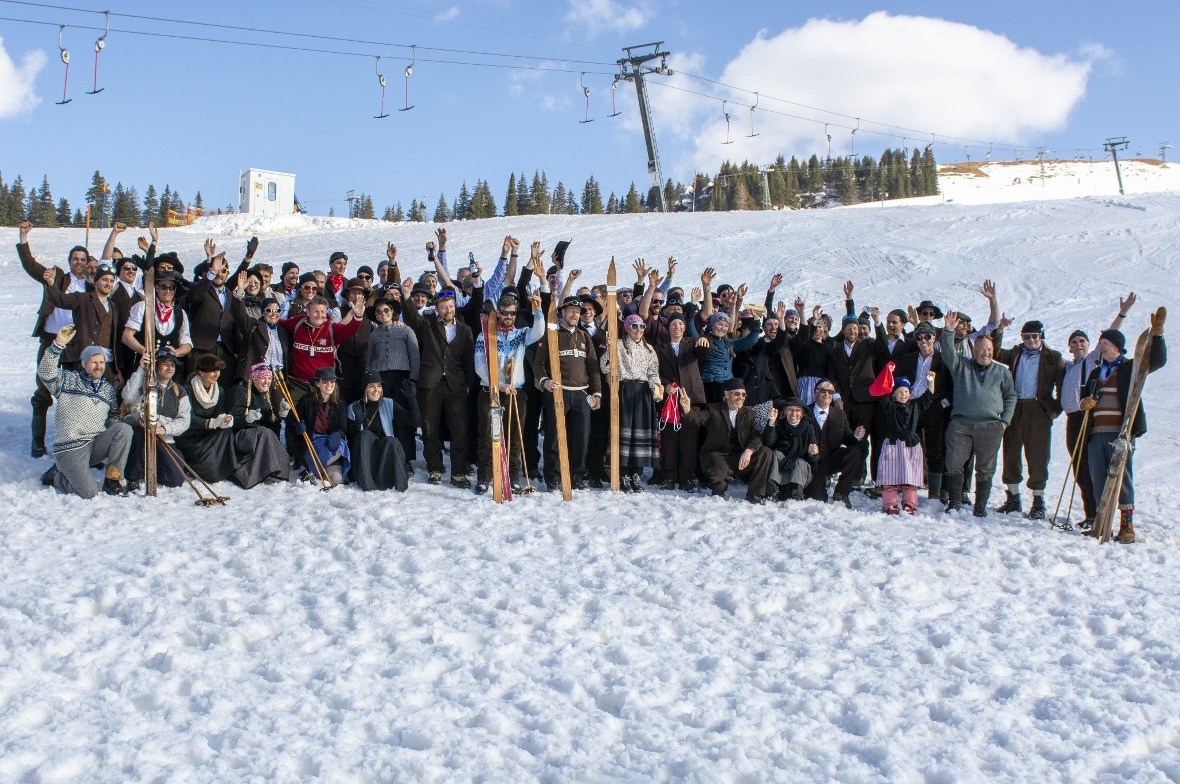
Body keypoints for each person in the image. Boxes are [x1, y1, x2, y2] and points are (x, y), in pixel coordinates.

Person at [1080, 314, 1167, 543]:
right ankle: (1102, 523)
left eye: (1105, 344)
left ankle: (1126, 525)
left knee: (1122, 477)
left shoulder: (1131, 367)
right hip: (1096, 434)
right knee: (1098, 478)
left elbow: (1156, 361)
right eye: (1100, 344)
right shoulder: (1096, 373)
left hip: (1121, 432)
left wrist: (1157, 336)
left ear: (1117, 346)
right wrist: (1084, 403)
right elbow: (1084, 398)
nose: (1101, 348)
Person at [1059, 294, 1134, 530]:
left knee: (1092, 469)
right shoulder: (1068, 366)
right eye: (1074, 342)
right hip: (1072, 419)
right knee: (1079, 469)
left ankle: (1097, 514)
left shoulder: (1092, 361)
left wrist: (1121, 314)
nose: (1078, 344)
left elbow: (1110, 338)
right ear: (1069, 347)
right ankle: (1090, 513)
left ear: (1089, 345)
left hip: (1086, 417)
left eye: (1082, 341)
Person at [17, 221, 90, 457]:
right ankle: (38, 441)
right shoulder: (56, 277)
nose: (79, 262)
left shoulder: (92, 285)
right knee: (43, 390)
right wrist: (23, 237)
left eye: (83, 259)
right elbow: (30, 266)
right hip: (51, 340)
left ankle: (72, 441)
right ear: (70, 261)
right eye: (75, 259)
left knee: (72, 392)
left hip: (75, 344)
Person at [37, 326, 133, 497]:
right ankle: (56, 477)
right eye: (94, 362)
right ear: (84, 364)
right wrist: (57, 345)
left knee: (123, 429)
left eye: (101, 362)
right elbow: (45, 372)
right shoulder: (69, 380)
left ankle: (112, 480)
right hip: (70, 448)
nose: (98, 366)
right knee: (89, 493)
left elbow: (112, 419)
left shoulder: (107, 389)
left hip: (93, 445)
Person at [939, 311, 1018, 517]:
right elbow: (947, 353)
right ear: (973, 351)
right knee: (954, 462)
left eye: (989, 349)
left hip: (990, 426)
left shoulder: (1002, 372)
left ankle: (980, 506)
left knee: (986, 467)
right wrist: (948, 331)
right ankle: (954, 501)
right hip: (961, 424)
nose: (986, 353)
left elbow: (1010, 396)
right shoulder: (961, 365)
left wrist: (1004, 421)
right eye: (982, 349)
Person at [401, 286, 476, 487]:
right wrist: (406, 296)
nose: (447, 310)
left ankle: (458, 472)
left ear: (455, 306)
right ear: (437, 309)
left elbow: (469, 361)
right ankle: (434, 469)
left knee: (459, 430)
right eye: (443, 307)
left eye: (450, 306)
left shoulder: (465, 330)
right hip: (430, 383)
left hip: (456, 385)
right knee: (430, 427)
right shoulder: (428, 324)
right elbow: (412, 318)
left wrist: (468, 385)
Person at [991, 319, 1065, 518]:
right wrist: (1000, 329)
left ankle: (1038, 501)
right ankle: (1013, 497)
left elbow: (1062, 388)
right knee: (1011, 451)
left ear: (1041, 336)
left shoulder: (1053, 357)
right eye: (1026, 337)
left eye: (1034, 336)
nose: (1030, 340)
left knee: (1038, 455)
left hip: (1038, 408)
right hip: (1015, 407)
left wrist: (1053, 411)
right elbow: (994, 352)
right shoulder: (1016, 353)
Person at [473, 293, 545, 494]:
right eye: (505, 313)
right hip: (491, 391)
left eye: (513, 313)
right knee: (488, 435)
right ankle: (485, 476)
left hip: (515, 391)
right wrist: (498, 384)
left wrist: (537, 310)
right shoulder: (485, 335)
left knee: (514, 436)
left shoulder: (521, 334)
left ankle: (513, 477)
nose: (509, 317)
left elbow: (539, 332)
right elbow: (480, 365)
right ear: (498, 313)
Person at [532, 296, 602, 492]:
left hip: (581, 393)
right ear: (562, 312)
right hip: (558, 392)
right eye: (571, 311)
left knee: (581, 438)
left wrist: (597, 393)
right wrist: (545, 381)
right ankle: (553, 478)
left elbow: (593, 368)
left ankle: (576, 477)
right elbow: (538, 364)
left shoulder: (584, 336)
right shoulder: (552, 334)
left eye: (578, 312)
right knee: (554, 437)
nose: (575, 315)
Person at [678, 378, 774, 504]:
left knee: (765, 452)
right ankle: (719, 489)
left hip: (740, 457)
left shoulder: (749, 413)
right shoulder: (712, 409)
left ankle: (754, 493)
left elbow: (756, 436)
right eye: (737, 394)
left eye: (743, 394)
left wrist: (749, 451)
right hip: (717, 457)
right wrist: (687, 409)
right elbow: (697, 420)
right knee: (719, 487)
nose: (741, 397)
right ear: (727, 394)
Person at [601, 314, 663, 492]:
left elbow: (653, 371)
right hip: (625, 389)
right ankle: (624, 474)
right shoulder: (619, 345)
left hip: (643, 392)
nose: (638, 330)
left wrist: (656, 385)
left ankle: (636, 473)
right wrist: (609, 350)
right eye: (634, 326)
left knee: (639, 433)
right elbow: (605, 367)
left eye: (642, 326)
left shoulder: (649, 349)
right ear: (627, 328)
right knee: (624, 431)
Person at [41, 260, 124, 384]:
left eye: (111, 281)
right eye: (104, 280)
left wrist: (117, 369)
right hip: (83, 361)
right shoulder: (83, 298)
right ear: (96, 281)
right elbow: (59, 299)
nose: (108, 284)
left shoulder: (114, 307)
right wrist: (51, 283)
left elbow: (115, 340)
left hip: (107, 363)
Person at [894, 321, 950, 500]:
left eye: (927, 336)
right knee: (908, 446)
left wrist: (942, 404)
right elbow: (899, 380)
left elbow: (951, 385)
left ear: (934, 338)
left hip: (933, 407)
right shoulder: (909, 358)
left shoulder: (943, 359)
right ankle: (907, 484)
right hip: (913, 406)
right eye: (919, 337)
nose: (923, 340)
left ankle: (935, 491)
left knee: (935, 448)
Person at [122, 349, 191, 491]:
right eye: (165, 364)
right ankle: (133, 477)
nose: (170, 368)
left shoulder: (179, 391)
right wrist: (141, 369)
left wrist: (163, 429)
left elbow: (184, 420)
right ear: (156, 365)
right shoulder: (143, 383)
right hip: (142, 434)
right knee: (138, 435)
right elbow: (128, 397)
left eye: (172, 365)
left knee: (175, 479)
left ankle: (149, 468)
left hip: (164, 439)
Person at [655, 312, 709, 491]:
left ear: (685, 327)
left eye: (680, 324)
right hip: (669, 400)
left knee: (689, 441)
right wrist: (665, 384)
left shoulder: (692, 343)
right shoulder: (660, 347)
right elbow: (654, 372)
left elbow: (705, 350)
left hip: (691, 398)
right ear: (668, 327)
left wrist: (705, 340)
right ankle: (668, 476)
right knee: (669, 441)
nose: (677, 327)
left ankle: (687, 477)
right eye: (673, 324)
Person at [366, 296, 421, 467]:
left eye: (386, 310)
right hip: (381, 380)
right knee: (383, 418)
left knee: (403, 419)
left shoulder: (406, 331)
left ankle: (405, 459)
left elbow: (414, 357)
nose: (383, 314)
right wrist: (369, 379)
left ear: (392, 312)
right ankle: (386, 456)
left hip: (401, 379)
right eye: (379, 312)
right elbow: (369, 360)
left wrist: (413, 379)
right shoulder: (374, 335)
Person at [174, 354, 238, 484]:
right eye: (213, 371)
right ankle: (200, 468)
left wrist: (224, 419)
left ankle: (227, 468)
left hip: (208, 433)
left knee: (226, 432)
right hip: (189, 435)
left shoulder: (220, 390)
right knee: (203, 449)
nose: (216, 374)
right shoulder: (187, 389)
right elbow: (188, 417)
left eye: (218, 371)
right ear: (201, 372)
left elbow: (219, 412)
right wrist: (210, 423)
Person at [877, 375, 936, 515]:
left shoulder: (915, 405)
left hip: (910, 446)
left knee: (909, 478)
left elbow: (928, 396)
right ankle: (890, 504)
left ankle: (910, 504)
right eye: (899, 392)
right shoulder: (890, 406)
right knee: (890, 478)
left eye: (906, 392)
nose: (903, 395)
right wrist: (888, 374)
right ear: (894, 394)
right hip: (893, 445)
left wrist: (931, 381)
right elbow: (881, 393)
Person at [225, 364, 291, 488]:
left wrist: (281, 415)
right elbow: (231, 421)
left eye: (269, 378)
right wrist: (246, 419)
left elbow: (270, 425)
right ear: (254, 379)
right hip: (239, 436)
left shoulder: (264, 395)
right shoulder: (239, 391)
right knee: (264, 433)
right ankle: (248, 474)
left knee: (266, 432)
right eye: (263, 378)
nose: (267, 382)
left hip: (258, 436)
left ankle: (275, 470)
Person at [804, 380, 867, 507]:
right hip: (811, 462)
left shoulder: (840, 414)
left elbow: (848, 438)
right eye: (823, 391)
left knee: (854, 452)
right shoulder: (805, 412)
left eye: (830, 392)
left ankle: (841, 493)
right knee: (816, 498)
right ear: (816, 393)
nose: (827, 394)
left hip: (831, 458)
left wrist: (856, 436)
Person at [122, 270, 193, 380]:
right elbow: (126, 336)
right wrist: (145, 351)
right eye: (163, 287)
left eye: (172, 288)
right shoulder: (143, 306)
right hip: (145, 367)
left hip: (169, 371)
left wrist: (177, 352)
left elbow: (187, 344)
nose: (168, 291)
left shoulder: (181, 313)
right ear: (157, 288)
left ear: (175, 291)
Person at [346, 372, 409, 492]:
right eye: (371, 386)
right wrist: (357, 422)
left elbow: (415, 422)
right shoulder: (354, 407)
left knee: (391, 440)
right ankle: (367, 483)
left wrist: (411, 399)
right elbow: (351, 441)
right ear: (364, 389)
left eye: (379, 386)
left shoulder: (388, 404)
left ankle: (395, 481)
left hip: (385, 452)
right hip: (365, 456)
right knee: (364, 435)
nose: (376, 390)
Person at [294, 366, 351, 486]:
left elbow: (343, 427)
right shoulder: (306, 400)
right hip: (313, 443)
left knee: (336, 479)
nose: (329, 384)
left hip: (331, 445)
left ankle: (314, 471)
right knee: (333, 478)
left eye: (332, 381)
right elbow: (293, 421)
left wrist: (337, 435)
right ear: (317, 383)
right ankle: (316, 470)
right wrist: (298, 427)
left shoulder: (341, 402)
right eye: (324, 381)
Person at [763, 397, 819, 502]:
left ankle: (797, 493)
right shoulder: (780, 425)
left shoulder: (809, 428)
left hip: (800, 473)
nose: (794, 413)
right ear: (785, 411)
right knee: (776, 453)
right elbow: (768, 443)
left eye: (797, 410)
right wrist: (771, 423)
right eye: (790, 409)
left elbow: (814, 460)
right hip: (782, 470)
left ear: (802, 414)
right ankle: (773, 490)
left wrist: (813, 454)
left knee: (799, 462)